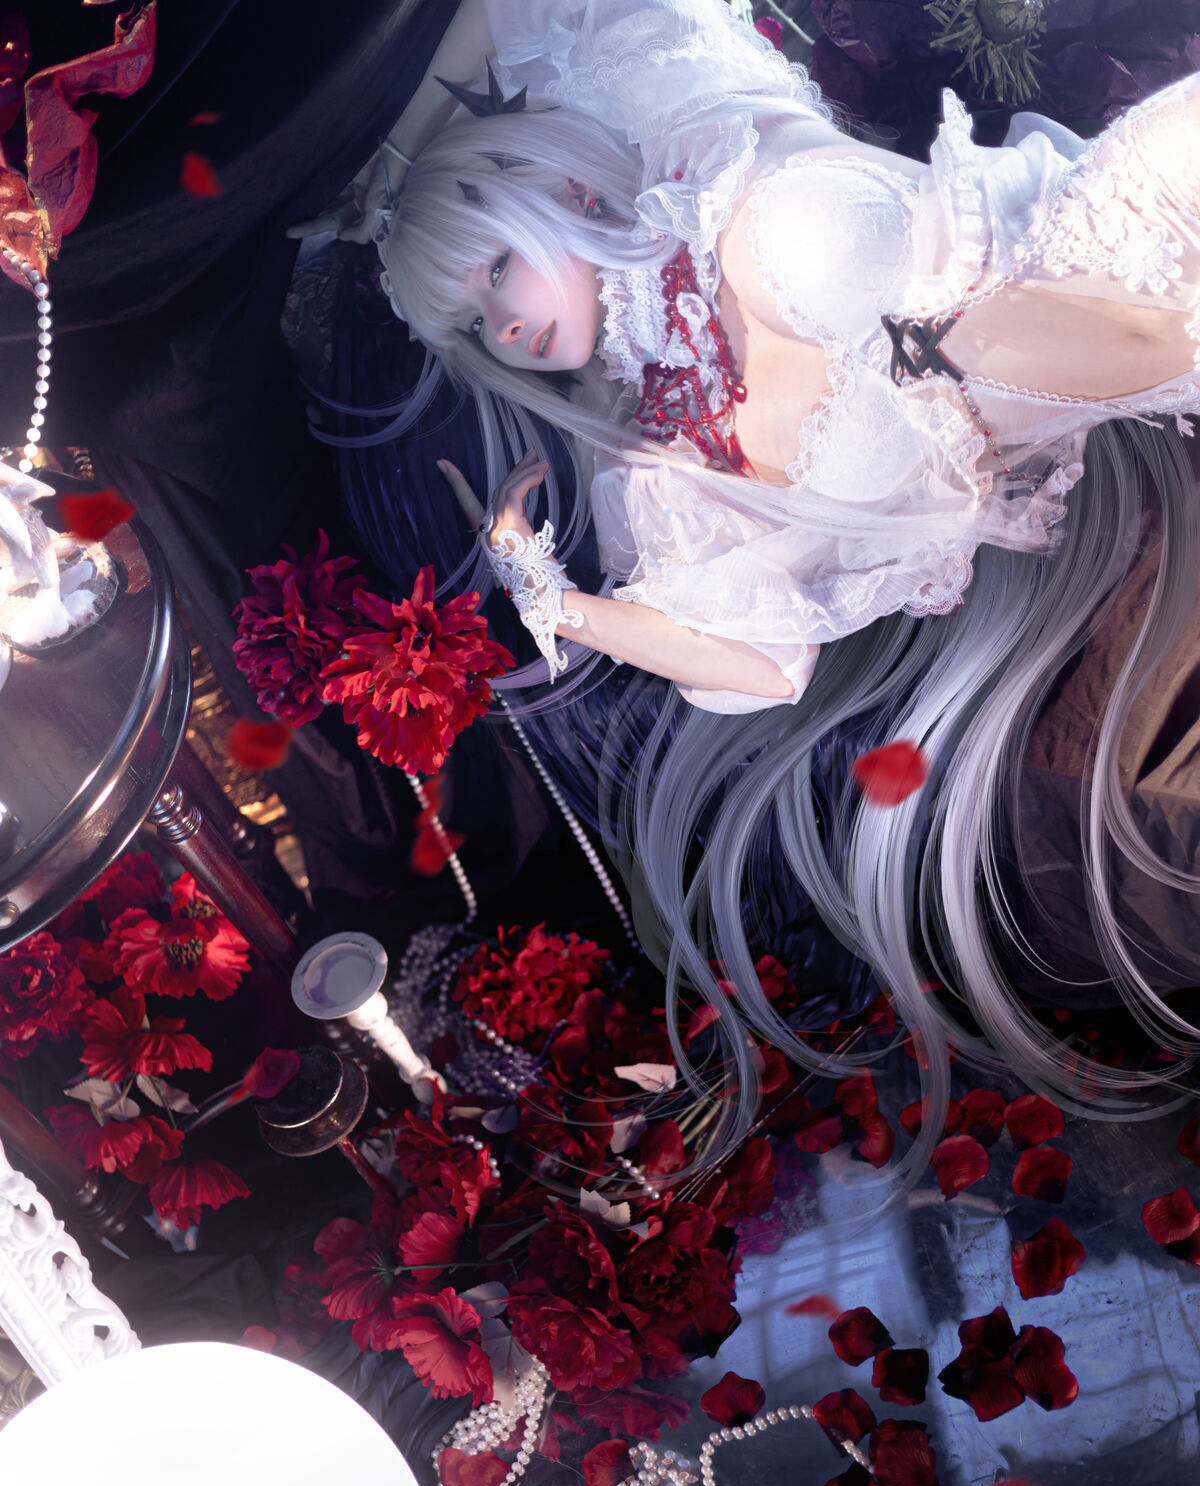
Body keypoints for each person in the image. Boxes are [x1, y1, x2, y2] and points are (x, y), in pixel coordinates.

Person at [290, 0, 1200, 1152]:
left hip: (1151, 240)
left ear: (559, 193)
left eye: (498, 269)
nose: (501, 325)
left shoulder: (726, 185)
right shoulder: (654, 478)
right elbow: (766, 666)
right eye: (473, 319)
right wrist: (555, 598)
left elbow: (527, 12)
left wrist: (375, 163)